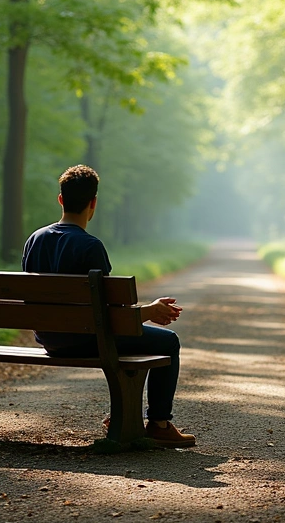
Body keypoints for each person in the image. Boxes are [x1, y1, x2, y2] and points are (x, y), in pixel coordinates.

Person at [22, 164, 195, 448]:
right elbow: (113, 316)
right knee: (168, 342)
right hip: (87, 340)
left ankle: (124, 414)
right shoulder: (90, 246)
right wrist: (150, 312)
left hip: (50, 339)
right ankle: (159, 424)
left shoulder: (35, 240)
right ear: (94, 203)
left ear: (61, 199)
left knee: (132, 341)